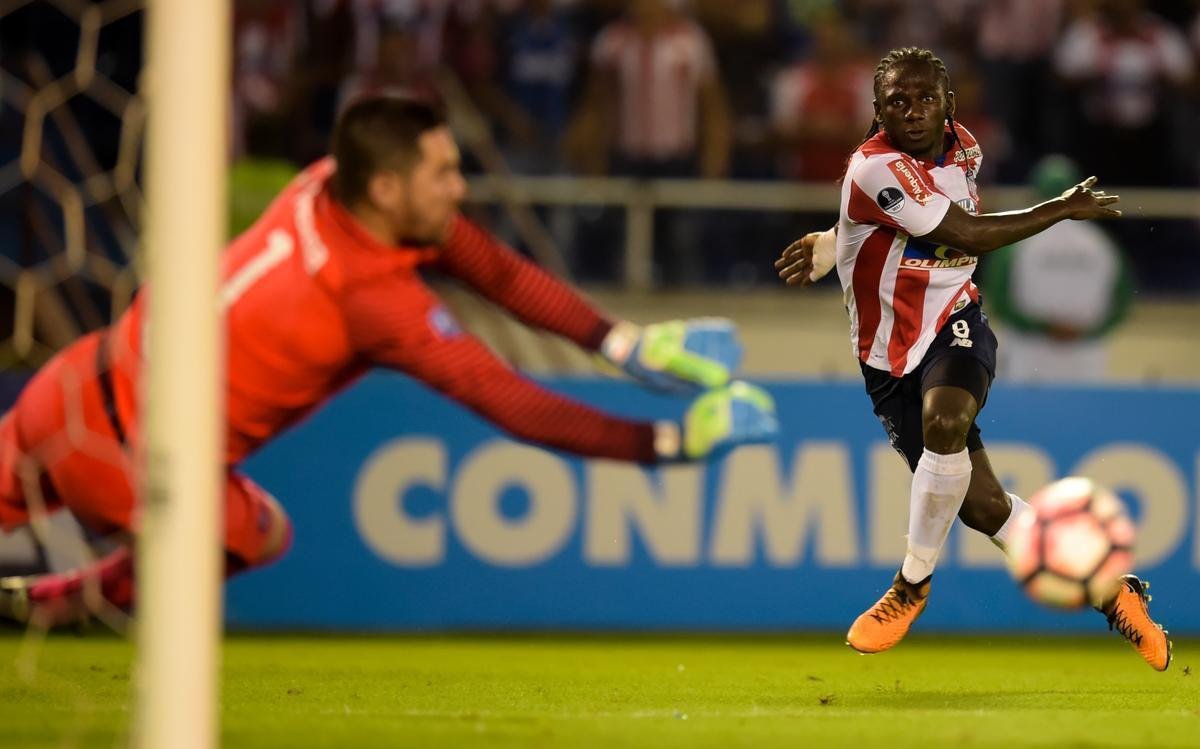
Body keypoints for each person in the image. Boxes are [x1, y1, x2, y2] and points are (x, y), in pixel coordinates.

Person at [0, 96, 777, 625]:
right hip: (131, 465)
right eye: (442, 173)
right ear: (385, 186)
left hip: (63, 387)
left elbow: (493, 268)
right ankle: (58, 605)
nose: (459, 185)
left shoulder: (321, 187)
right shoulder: (373, 299)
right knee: (261, 532)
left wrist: (623, 343)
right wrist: (668, 444)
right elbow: (511, 402)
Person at [774, 48, 1169, 670]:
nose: (912, 111)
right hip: (886, 355)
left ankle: (909, 586)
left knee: (947, 420)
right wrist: (1058, 209)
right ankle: (1110, 590)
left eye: (925, 97)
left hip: (958, 318)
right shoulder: (873, 165)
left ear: (948, 103)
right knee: (986, 508)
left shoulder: (966, 148)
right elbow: (963, 232)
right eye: (897, 101)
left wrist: (834, 242)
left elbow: (917, 227)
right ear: (878, 111)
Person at [983, 155, 1133, 382]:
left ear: (1035, 195)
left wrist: (1045, 328)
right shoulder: (1104, 246)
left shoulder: (1016, 242)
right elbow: (1122, 303)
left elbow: (999, 299)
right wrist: (1087, 332)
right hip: (1085, 356)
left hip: (1029, 355)